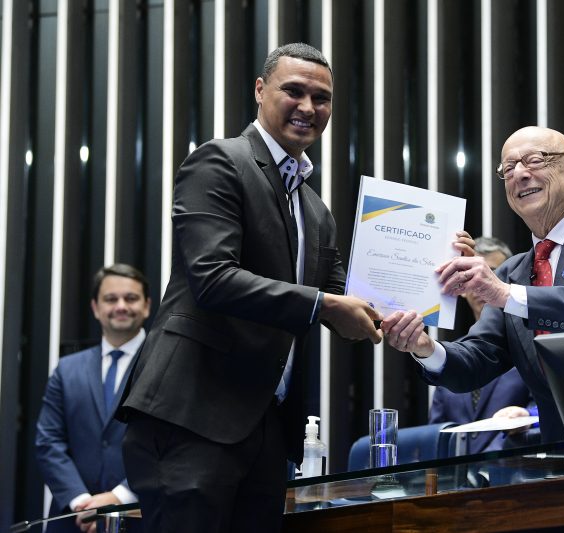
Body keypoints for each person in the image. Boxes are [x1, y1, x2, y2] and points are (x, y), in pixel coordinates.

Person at [118, 43, 471, 533]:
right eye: (294, 91)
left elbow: (352, 307)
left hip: (266, 429)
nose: (309, 107)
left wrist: (438, 271)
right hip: (192, 417)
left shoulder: (315, 210)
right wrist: (327, 303)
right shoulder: (220, 161)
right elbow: (213, 278)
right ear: (260, 91)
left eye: (322, 98)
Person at [382, 125, 564, 443]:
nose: (519, 174)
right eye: (508, 168)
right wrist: (425, 348)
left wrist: (506, 295)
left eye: (534, 160)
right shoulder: (513, 272)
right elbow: (478, 358)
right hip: (559, 461)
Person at [35, 264, 150, 533]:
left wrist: (119, 498)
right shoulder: (67, 369)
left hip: (142, 518)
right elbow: (48, 441)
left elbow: (174, 445)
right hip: (71, 520)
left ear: (146, 306)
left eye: (131, 298)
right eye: (111, 299)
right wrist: (81, 503)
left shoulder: (166, 365)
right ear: (96, 308)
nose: (121, 306)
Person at [429, 236, 536, 454]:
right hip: (458, 482)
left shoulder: (532, 343)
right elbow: (436, 435)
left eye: (493, 272)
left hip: (515, 471)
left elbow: (551, 408)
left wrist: (529, 417)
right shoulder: (449, 356)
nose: (480, 282)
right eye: (469, 274)